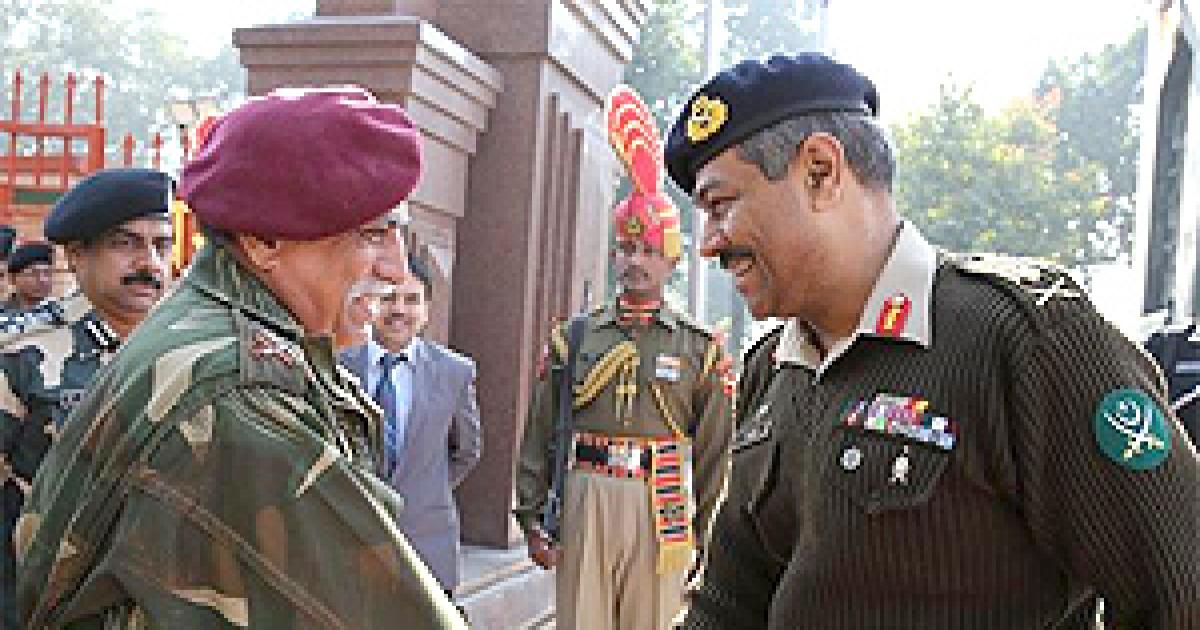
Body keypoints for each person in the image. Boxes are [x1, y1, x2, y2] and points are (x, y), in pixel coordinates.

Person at [664, 53, 1200, 629]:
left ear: (820, 171)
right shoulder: (772, 369)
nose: (708, 244)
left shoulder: (1025, 339)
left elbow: (1181, 589)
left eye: (721, 206)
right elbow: (727, 604)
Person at [15, 86, 465, 629]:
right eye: (370, 236)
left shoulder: (225, 325)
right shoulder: (240, 391)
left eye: (397, 233)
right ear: (262, 242)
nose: (396, 269)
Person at [515, 85, 735, 630]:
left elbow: (714, 455)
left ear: (670, 260)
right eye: (626, 248)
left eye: (648, 251)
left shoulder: (698, 347)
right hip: (587, 496)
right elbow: (540, 432)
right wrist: (531, 515)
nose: (635, 261)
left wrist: (708, 541)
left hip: (663, 504)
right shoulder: (575, 337)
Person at [0, 168, 173, 630]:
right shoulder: (19, 353)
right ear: (77, 255)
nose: (149, 262)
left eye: (161, 245)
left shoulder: (192, 348)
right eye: (125, 244)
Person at [340, 254, 482, 599]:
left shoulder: (454, 372)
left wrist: (426, 488)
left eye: (411, 300)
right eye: (389, 298)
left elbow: (466, 450)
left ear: (427, 310)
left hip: (427, 545)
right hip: (350, 542)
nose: (399, 310)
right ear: (370, 304)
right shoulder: (338, 367)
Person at [3, 243, 55, 312]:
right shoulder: (5, 314)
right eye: (33, 273)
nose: (43, 280)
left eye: (47, 272)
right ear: (13, 279)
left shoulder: (58, 311)